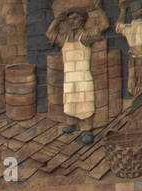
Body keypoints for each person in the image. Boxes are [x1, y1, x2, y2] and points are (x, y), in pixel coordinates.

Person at [47, 3, 109, 144]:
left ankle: (86, 129)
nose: (71, 21)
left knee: (84, 101)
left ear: (82, 20)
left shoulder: (85, 37)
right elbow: (49, 34)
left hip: (82, 76)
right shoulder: (65, 39)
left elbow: (104, 25)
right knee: (69, 101)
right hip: (69, 77)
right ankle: (71, 123)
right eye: (69, 19)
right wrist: (57, 20)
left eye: (75, 18)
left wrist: (99, 10)